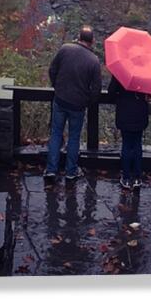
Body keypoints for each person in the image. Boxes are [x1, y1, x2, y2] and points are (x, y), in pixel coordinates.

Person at [44, 25, 102, 183]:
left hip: (60, 99)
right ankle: (71, 172)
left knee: (56, 133)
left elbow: (52, 70)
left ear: (79, 37)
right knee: (74, 137)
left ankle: (51, 170)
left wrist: (57, 86)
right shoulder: (94, 60)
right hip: (78, 105)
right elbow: (96, 89)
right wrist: (87, 102)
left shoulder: (65, 49)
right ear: (92, 41)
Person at [106, 74, 151, 190]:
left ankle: (126, 178)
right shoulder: (146, 73)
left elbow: (111, 92)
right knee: (137, 145)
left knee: (126, 145)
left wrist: (120, 98)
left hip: (124, 112)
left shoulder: (120, 73)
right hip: (140, 113)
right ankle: (137, 177)